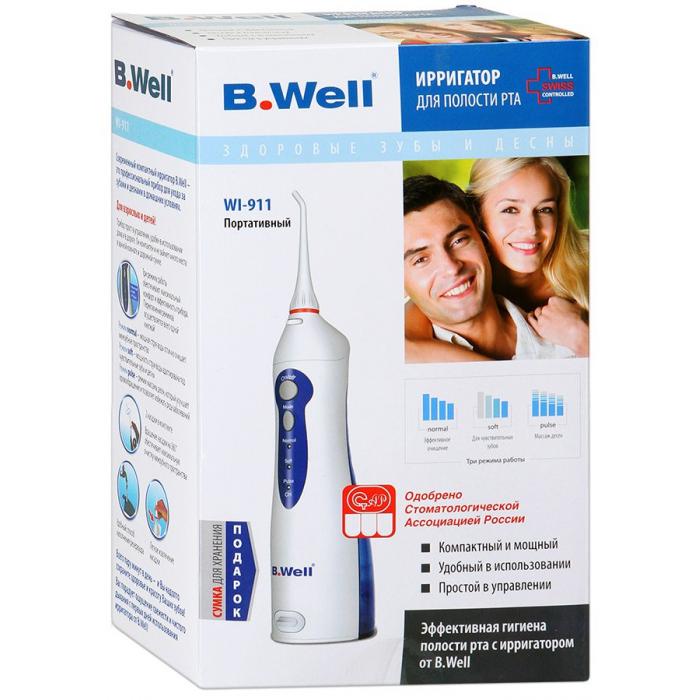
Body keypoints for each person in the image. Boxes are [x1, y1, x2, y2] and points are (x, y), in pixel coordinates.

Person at [405, 158, 589, 360]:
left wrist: (581, 337)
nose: (531, 229)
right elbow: (406, 345)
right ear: (478, 217)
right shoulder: (451, 286)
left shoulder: (588, 264)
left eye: (545, 209)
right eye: (510, 210)